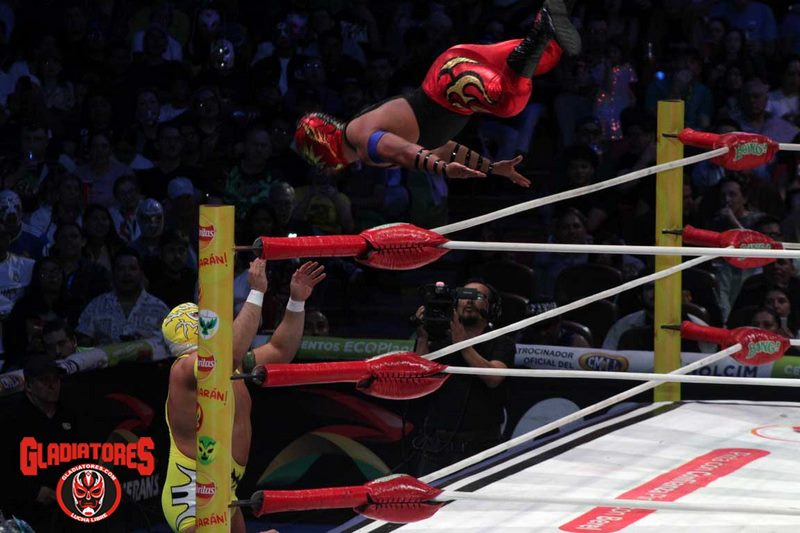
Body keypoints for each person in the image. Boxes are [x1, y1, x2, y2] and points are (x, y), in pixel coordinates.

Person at [293, 0, 581, 187]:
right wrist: (492, 168)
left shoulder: (362, 140)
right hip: (454, 76)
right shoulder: (362, 139)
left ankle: (542, 28)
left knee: (509, 102)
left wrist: (442, 170)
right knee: (546, 56)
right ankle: (550, 18)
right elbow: (442, 148)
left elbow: (406, 152)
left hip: (451, 85)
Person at [161, 259, 325, 533]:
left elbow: (279, 351)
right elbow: (225, 357)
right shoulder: (184, 370)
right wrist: (256, 291)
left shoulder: (229, 367)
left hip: (225, 488)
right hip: (192, 495)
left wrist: (297, 301)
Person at [413, 279, 515, 474]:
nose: (469, 301)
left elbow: (494, 378)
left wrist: (462, 344)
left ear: (491, 307)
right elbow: (418, 379)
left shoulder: (502, 341)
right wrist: (422, 338)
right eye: (463, 296)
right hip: (436, 446)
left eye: (478, 296)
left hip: (481, 446)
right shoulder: (440, 340)